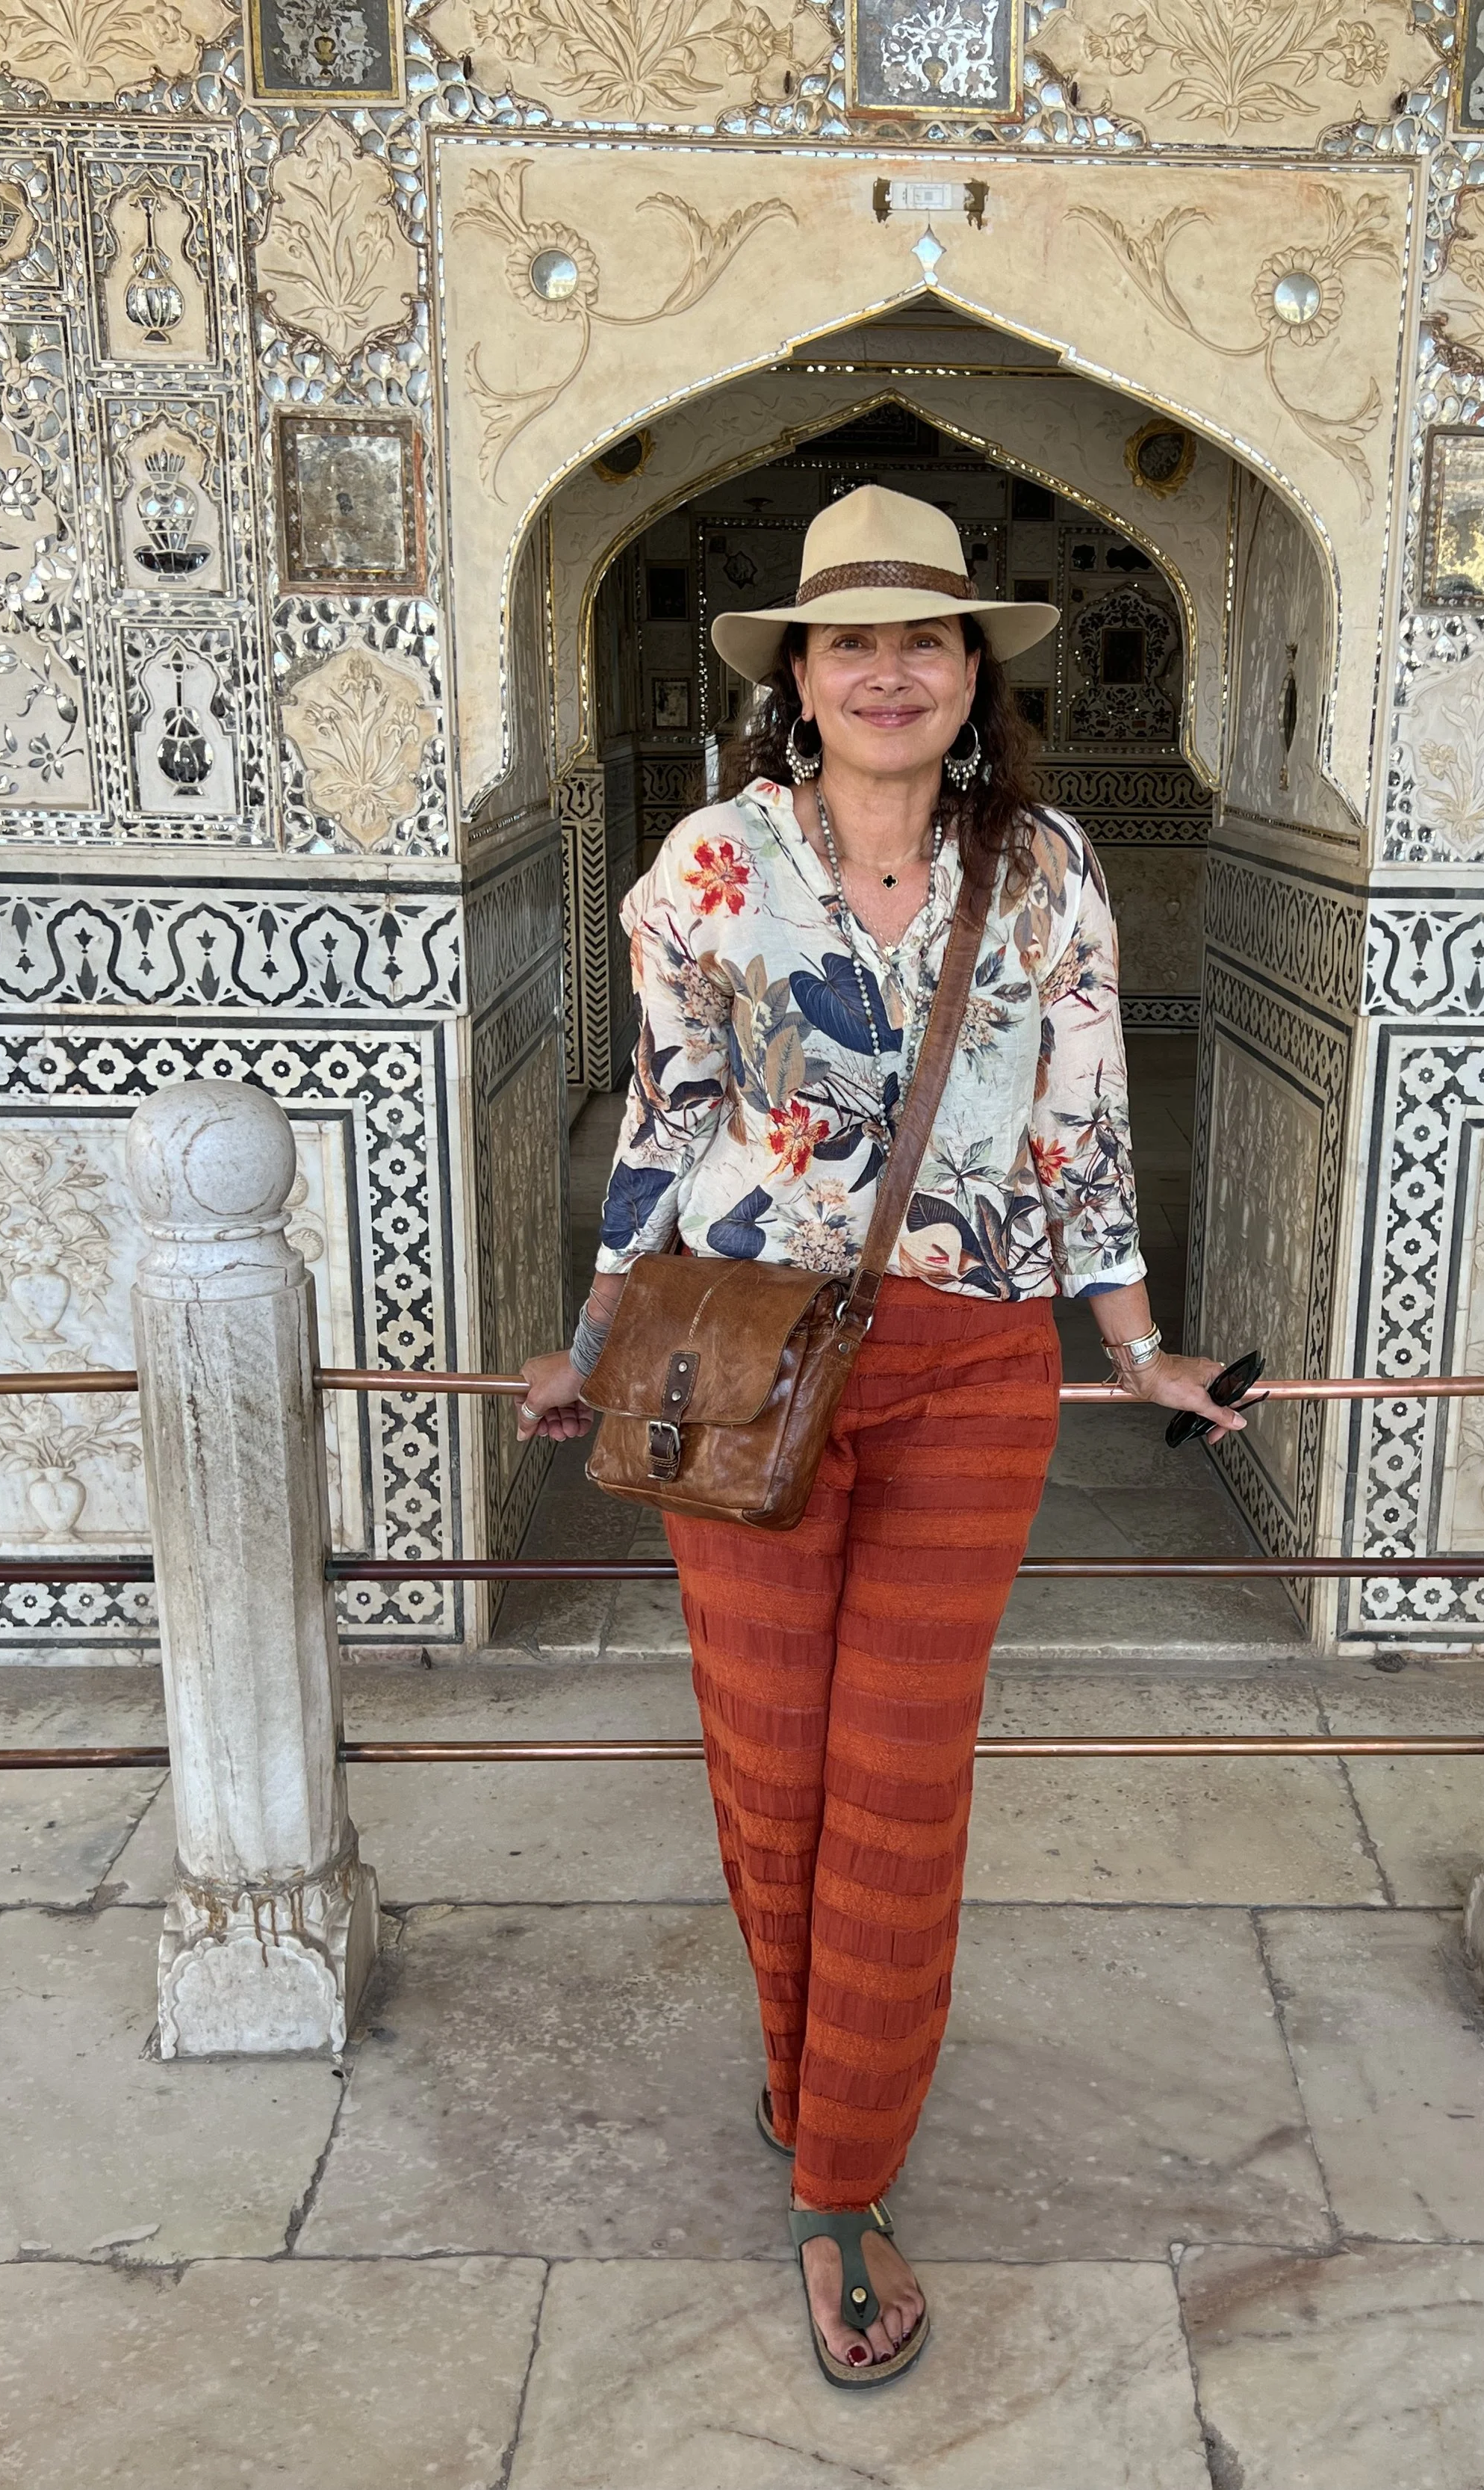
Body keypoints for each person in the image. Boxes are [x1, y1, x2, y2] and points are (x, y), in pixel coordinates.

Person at [515, 483, 1246, 2387]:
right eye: (854, 639)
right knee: (772, 1764)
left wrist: (1142, 1348)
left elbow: (1080, 1134)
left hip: (969, 1370)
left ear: (971, 670)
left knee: (900, 1771)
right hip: (742, 1364)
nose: (891, 668)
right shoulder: (702, 870)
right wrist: (590, 1339)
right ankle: (801, 2063)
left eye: (926, 637)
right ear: (799, 674)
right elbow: (664, 1128)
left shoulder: (1049, 866)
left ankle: (839, 2174)